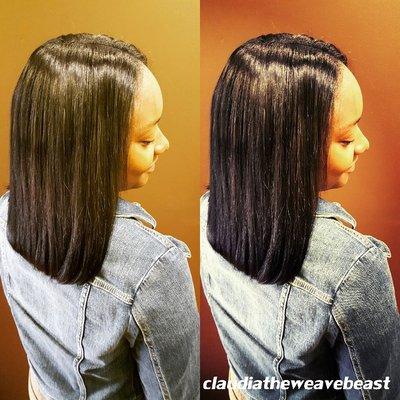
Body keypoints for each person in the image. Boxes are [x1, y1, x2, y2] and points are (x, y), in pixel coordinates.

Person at [0, 33, 199, 399]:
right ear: (89, 151)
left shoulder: (6, 214)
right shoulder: (154, 268)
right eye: (145, 139)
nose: (164, 143)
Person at [201, 33, 399, 400]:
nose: (364, 143)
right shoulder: (354, 268)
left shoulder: (207, 211)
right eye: (345, 139)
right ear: (291, 149)